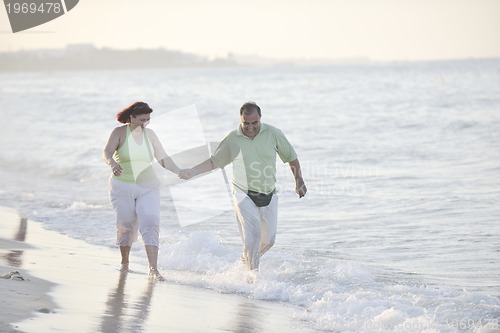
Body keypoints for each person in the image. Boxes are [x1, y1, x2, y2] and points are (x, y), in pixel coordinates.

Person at [179, 102, 307, 271]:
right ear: (241, 120)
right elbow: (215, 162)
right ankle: (252, 277)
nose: (250, 127)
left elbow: (291, 157)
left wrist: (299, 180)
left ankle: (245, 259)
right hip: (242, 192)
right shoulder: (233, 138)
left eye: (254, 122)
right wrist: (193, 171)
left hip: (268, 192)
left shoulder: (274, 134)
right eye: (246, 123)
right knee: (253, 234)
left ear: (260, 118)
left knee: (269, 240)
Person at [103, 101, 180, 281]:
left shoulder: (150, 135)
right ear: (132, 118)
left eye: (148, 120)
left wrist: (178, 171)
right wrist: (112, 163)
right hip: (122, 186)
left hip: (148, 186)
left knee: (151, 224)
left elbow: (163, 159)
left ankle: (153, 269)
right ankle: (125, 263)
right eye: (142, 120)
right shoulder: (119, 133)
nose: (145, 124)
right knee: (126, 226)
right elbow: (106, 152)